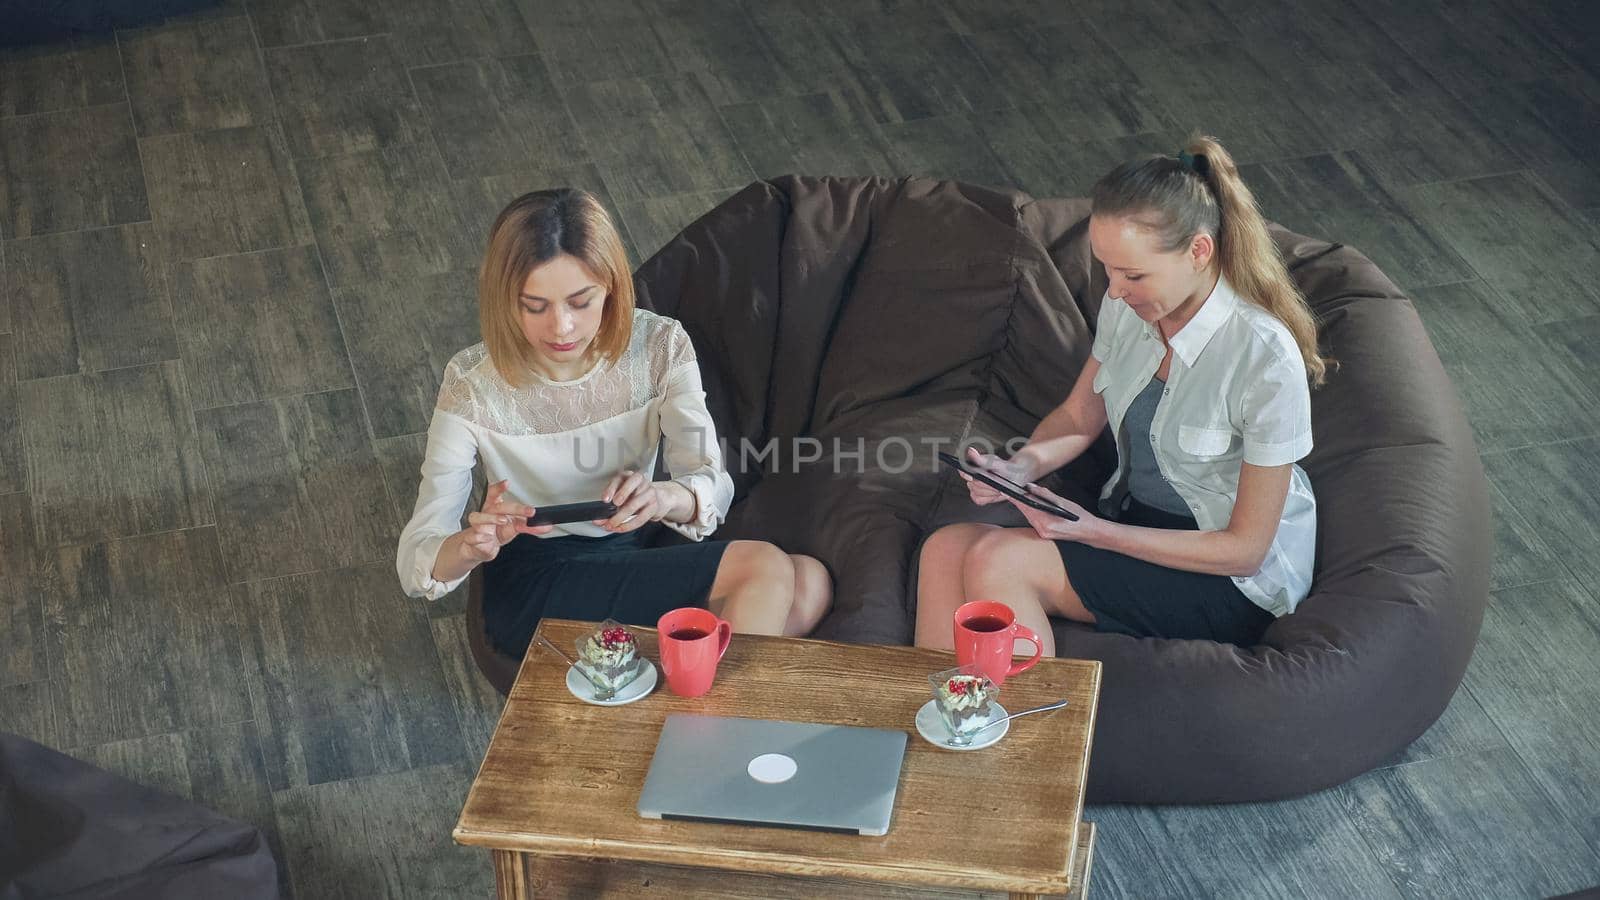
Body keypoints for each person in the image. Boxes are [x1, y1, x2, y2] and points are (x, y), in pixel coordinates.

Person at [915, 135, 1327, 652]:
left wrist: (1089, 531)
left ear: (1200, 252)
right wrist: (1021, 468)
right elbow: (1077, 416)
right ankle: (936, 718)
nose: (1113, 289)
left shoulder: (1264, 357)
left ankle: (1031, 729)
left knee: (1000, 559)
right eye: (1107, 267)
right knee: (945, 548)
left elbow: (1244, 550)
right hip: (1137, 525)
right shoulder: (1130, 307)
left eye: (1133, 273)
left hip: (1231, 578)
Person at [397, 188, 832, 658]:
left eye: (580, 301)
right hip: (541, 579)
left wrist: (661, 497)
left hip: (636, 547)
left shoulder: (660, 347)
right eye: (535, 306)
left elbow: (709, 483)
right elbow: (417, 559)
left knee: (810, 583)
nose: (561, 327)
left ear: (611, 287)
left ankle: (657, 697)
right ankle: (705, 716)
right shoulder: (472, 384)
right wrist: (471, 546)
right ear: (505, 300)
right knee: (765, 568)